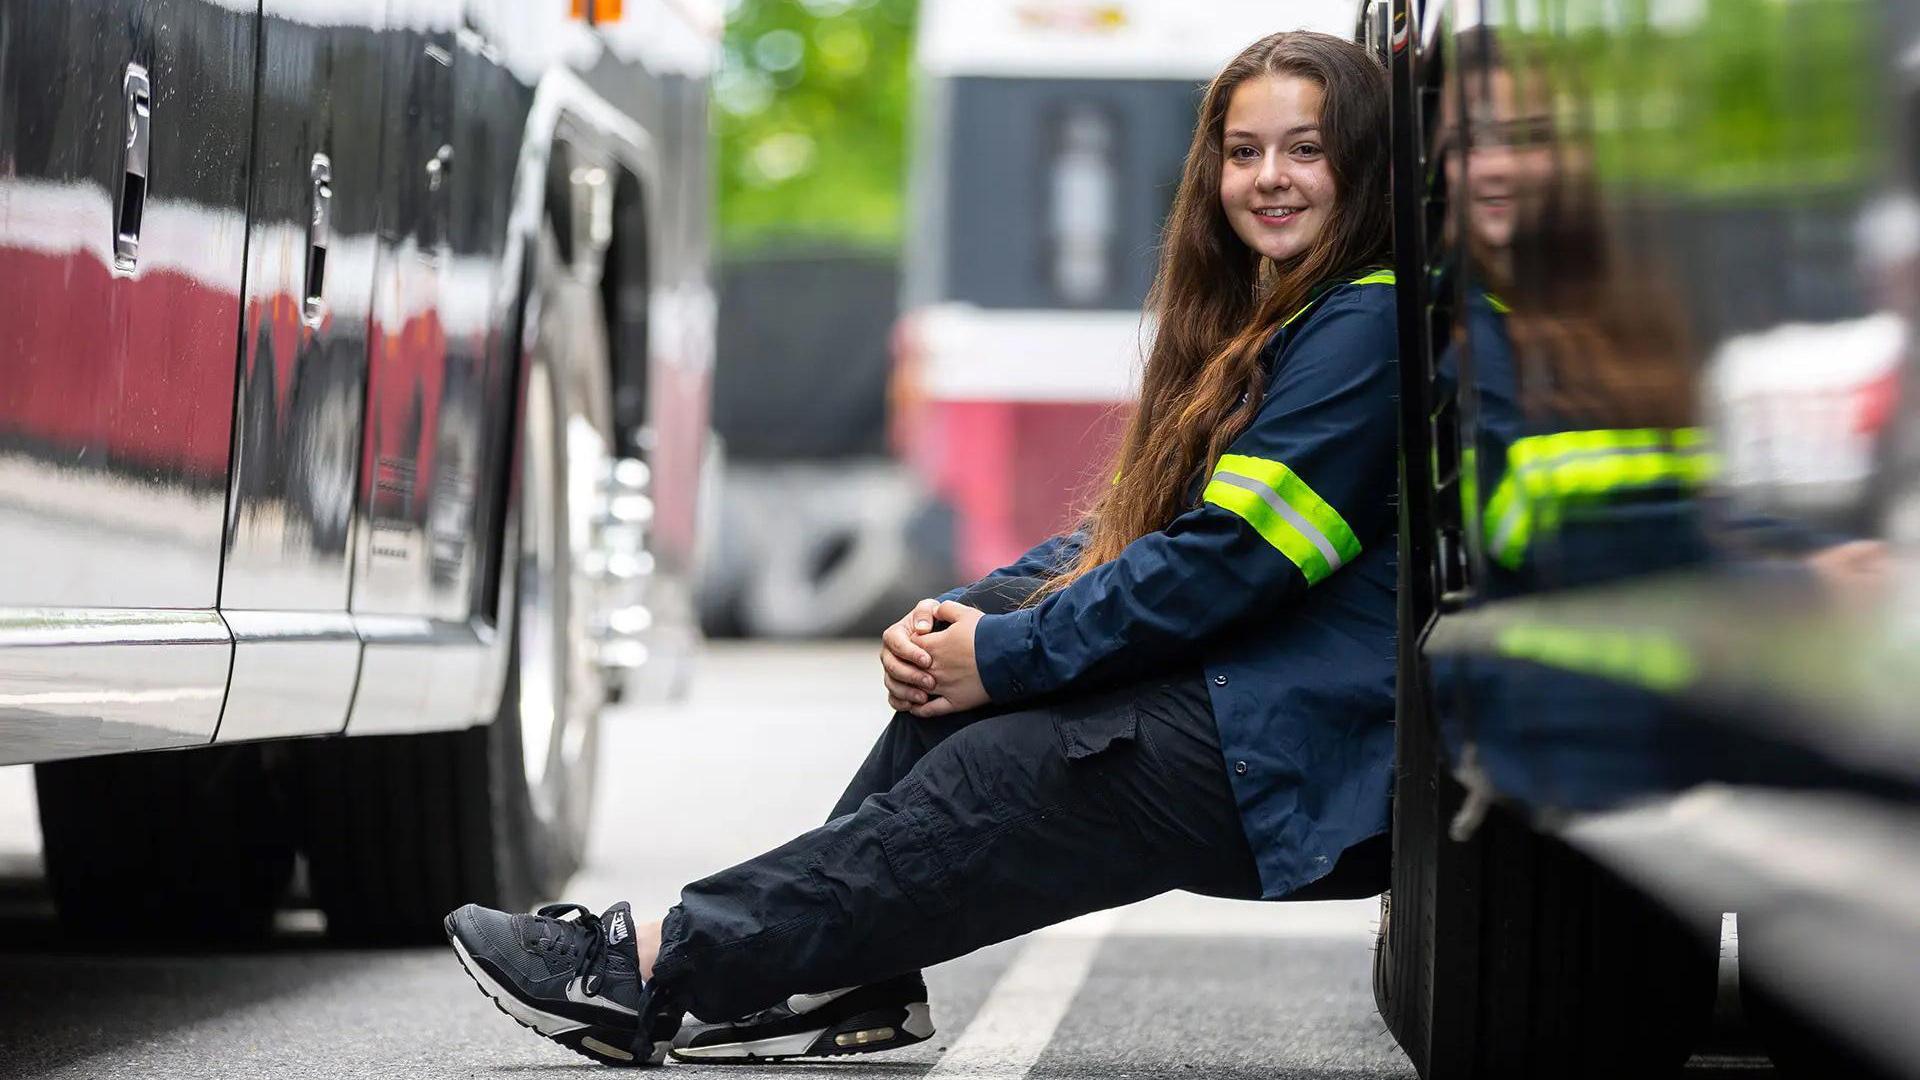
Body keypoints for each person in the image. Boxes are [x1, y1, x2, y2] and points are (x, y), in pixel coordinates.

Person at [443, 29, 1402, 1068]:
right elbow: (1158, 534)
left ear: (1360, 161)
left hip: (1312, 748)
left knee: (1004, 763)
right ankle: (840, 975)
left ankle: (650, 964)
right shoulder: (1289, 318)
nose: (1268, 178)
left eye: (1304, 149)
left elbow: (1229, 562)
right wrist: (975, 613)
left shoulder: (1362, 329)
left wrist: (1003, 655)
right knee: (959, 715)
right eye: (1243, 150)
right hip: (1262, 698)